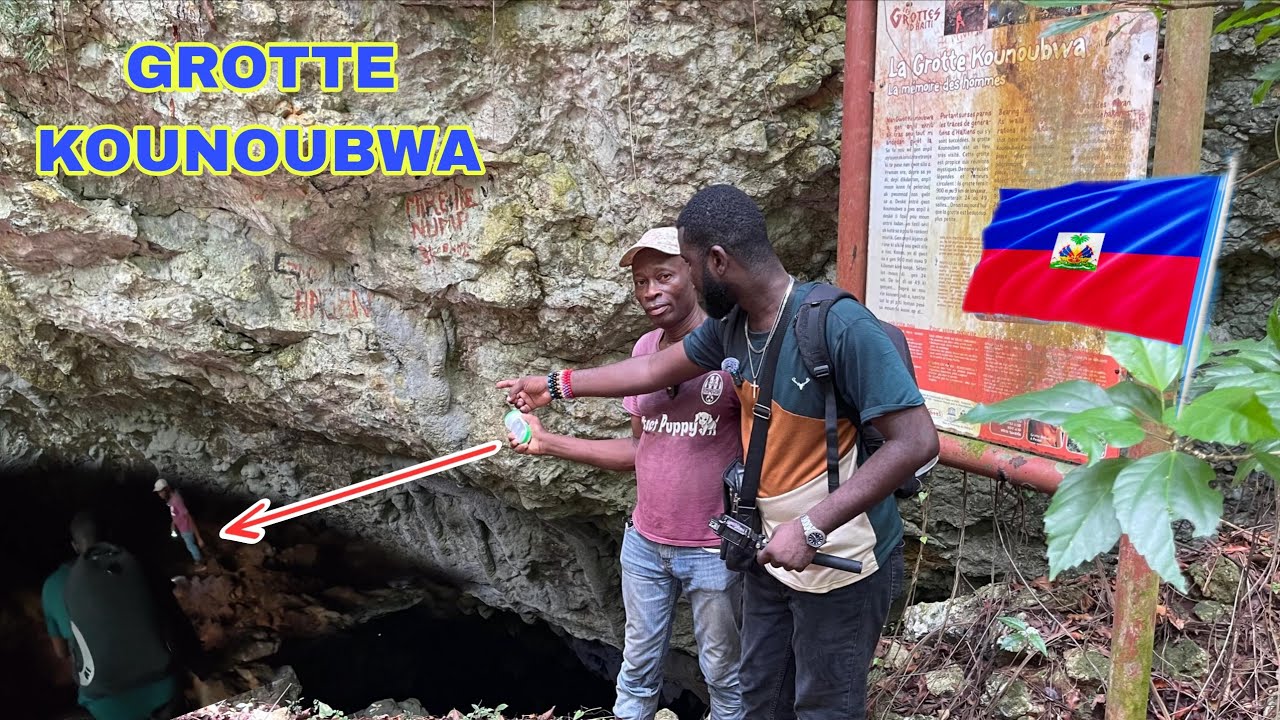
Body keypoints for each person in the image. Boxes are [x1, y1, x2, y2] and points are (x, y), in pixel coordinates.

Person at [499, 185, 939, 720]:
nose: (674, 280)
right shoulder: (732, 329)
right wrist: (558, 383)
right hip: (768, 556)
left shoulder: (836, 326)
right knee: (758, 697)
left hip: (842, 558)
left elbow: (916, 441)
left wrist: (813, 526)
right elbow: (651, 370)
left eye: (684, 265)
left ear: (716, 261)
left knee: (824, 706)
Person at [507, 227, 745, 720]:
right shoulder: (644, 348)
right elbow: (641, 448)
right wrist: (547, 442)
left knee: (724, 673)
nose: (650, 291)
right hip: (646, 542)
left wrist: (556, 384)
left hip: (712, 549)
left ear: (695, 273)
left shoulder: (732, 347)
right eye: (641, 281)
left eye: (664, 275)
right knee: (636, 669)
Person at [41, 511, 190, 720]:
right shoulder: (136, 564)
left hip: (105, 707)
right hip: (165, 691)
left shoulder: (53, 586)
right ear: (110, 536)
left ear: (75, 546)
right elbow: (175, 619)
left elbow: (61, 653)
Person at [154, 478, 206, 569]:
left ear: (166, 489)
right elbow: (175, 514)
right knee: (189, 545)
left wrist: (199, 538)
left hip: (186, 529)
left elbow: (189, 517)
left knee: (191, 546)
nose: (159, 495)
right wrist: (173, 524)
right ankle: (200, 559)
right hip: (182, 528)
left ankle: (200, 564)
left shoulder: (176, 500)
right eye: (158, 492)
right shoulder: (170, 500)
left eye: (160, 492)